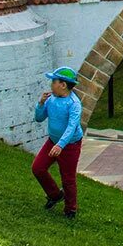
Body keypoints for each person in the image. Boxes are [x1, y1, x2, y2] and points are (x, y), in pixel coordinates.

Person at [31, 67, 85, 219]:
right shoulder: (50, 99)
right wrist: (40, 104)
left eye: (54, 81)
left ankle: (70, 209)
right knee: (38, 168)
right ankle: (55, 195)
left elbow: (71, 127)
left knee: (68, 178)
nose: (51, 84)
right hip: (53, 141)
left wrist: (61, 145)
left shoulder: (74, 104)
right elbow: (39, 118)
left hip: (70, 146)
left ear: (63, 85)